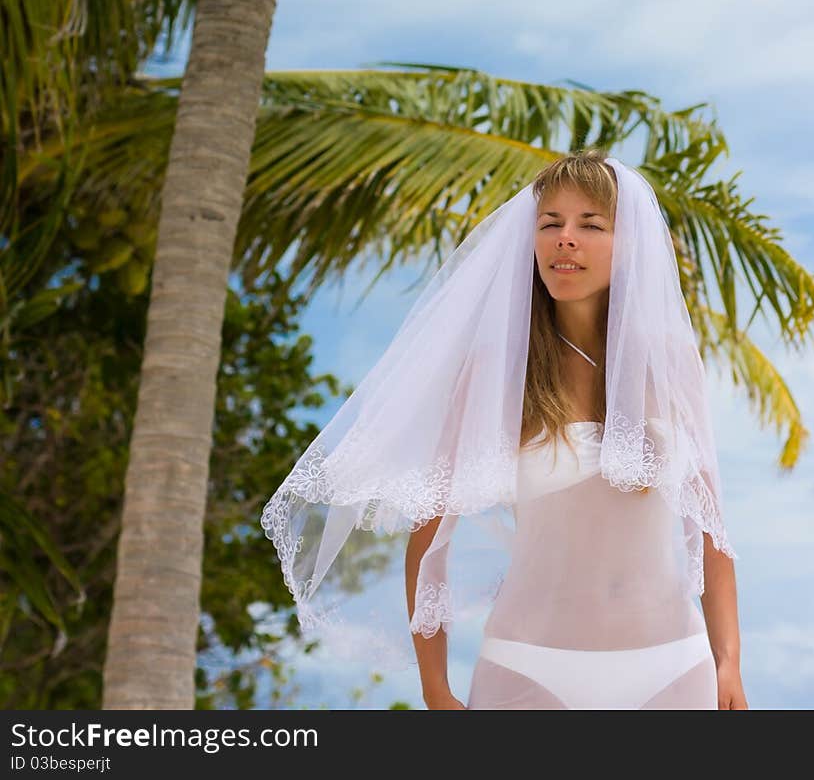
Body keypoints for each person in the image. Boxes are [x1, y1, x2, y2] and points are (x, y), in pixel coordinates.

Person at [262, 150, 747, 710]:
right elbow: (428, 539)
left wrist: (728, 663)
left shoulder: (671, 361)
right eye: (551, 224)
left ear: (629, 242)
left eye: (591, 224)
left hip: (674, 669)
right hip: (528, 668)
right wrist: (435, 688)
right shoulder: (495, 371)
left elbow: (714, 534)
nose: (566, 239)